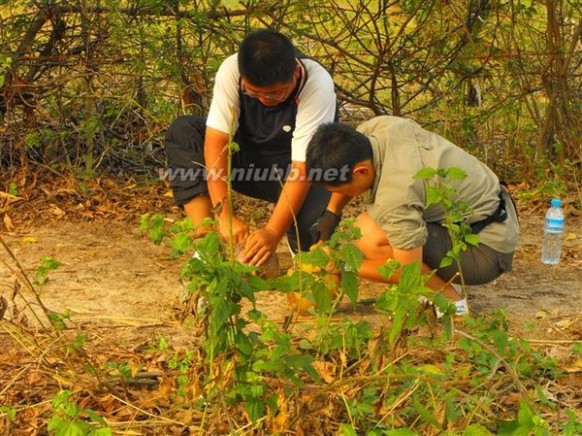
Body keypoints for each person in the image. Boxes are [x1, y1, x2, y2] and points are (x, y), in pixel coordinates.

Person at [306, 116, 520, 315]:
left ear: (361, 172)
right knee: (370, 228)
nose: (339, 195)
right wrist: (331, 214)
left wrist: (344, 264)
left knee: (367, 238)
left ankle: (453, 303)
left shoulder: (396, 195)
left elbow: (407, 271)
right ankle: (441, 279)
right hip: (497, 215)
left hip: (486, 252)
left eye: (342, 190)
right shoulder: (376, 130)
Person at [164, 29, 337, 266]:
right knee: (184, 131)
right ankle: (207, 247)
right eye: (255, 93)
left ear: (295, 74)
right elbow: (217, 143)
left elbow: (303, 168)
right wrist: (224, 214)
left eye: (276, 93)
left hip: (299, 172)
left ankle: (298, 244)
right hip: (248, 162)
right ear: (244, 78)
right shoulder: (231, 70)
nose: (265, 99)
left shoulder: (317, 83)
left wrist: (272, 233)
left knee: (311, 245)